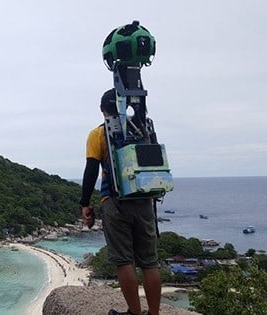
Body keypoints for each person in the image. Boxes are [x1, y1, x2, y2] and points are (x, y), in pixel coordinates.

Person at [80, 88, 161, 315]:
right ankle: (154, 313)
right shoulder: (142, 130)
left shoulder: (98, 134)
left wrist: (85, 203)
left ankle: (134, 312)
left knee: (124, 261)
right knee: (150, 262)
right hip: (144, 200)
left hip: (114, 202)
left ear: (102, 109)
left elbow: (91, 171)